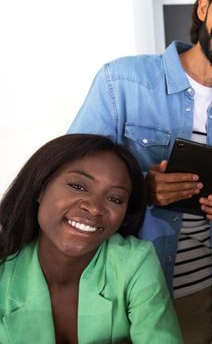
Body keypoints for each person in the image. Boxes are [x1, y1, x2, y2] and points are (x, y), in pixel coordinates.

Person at [68, 0, 212, 341]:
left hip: (206, 291)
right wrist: (138, 188)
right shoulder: (121, 81)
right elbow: (70, 179)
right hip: (126, 295)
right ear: (204, 7)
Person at [0, 134, 182, 343]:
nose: (95, 208)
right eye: (78, 186)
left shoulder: (135, 262)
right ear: (41, 188)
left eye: (115, 198)